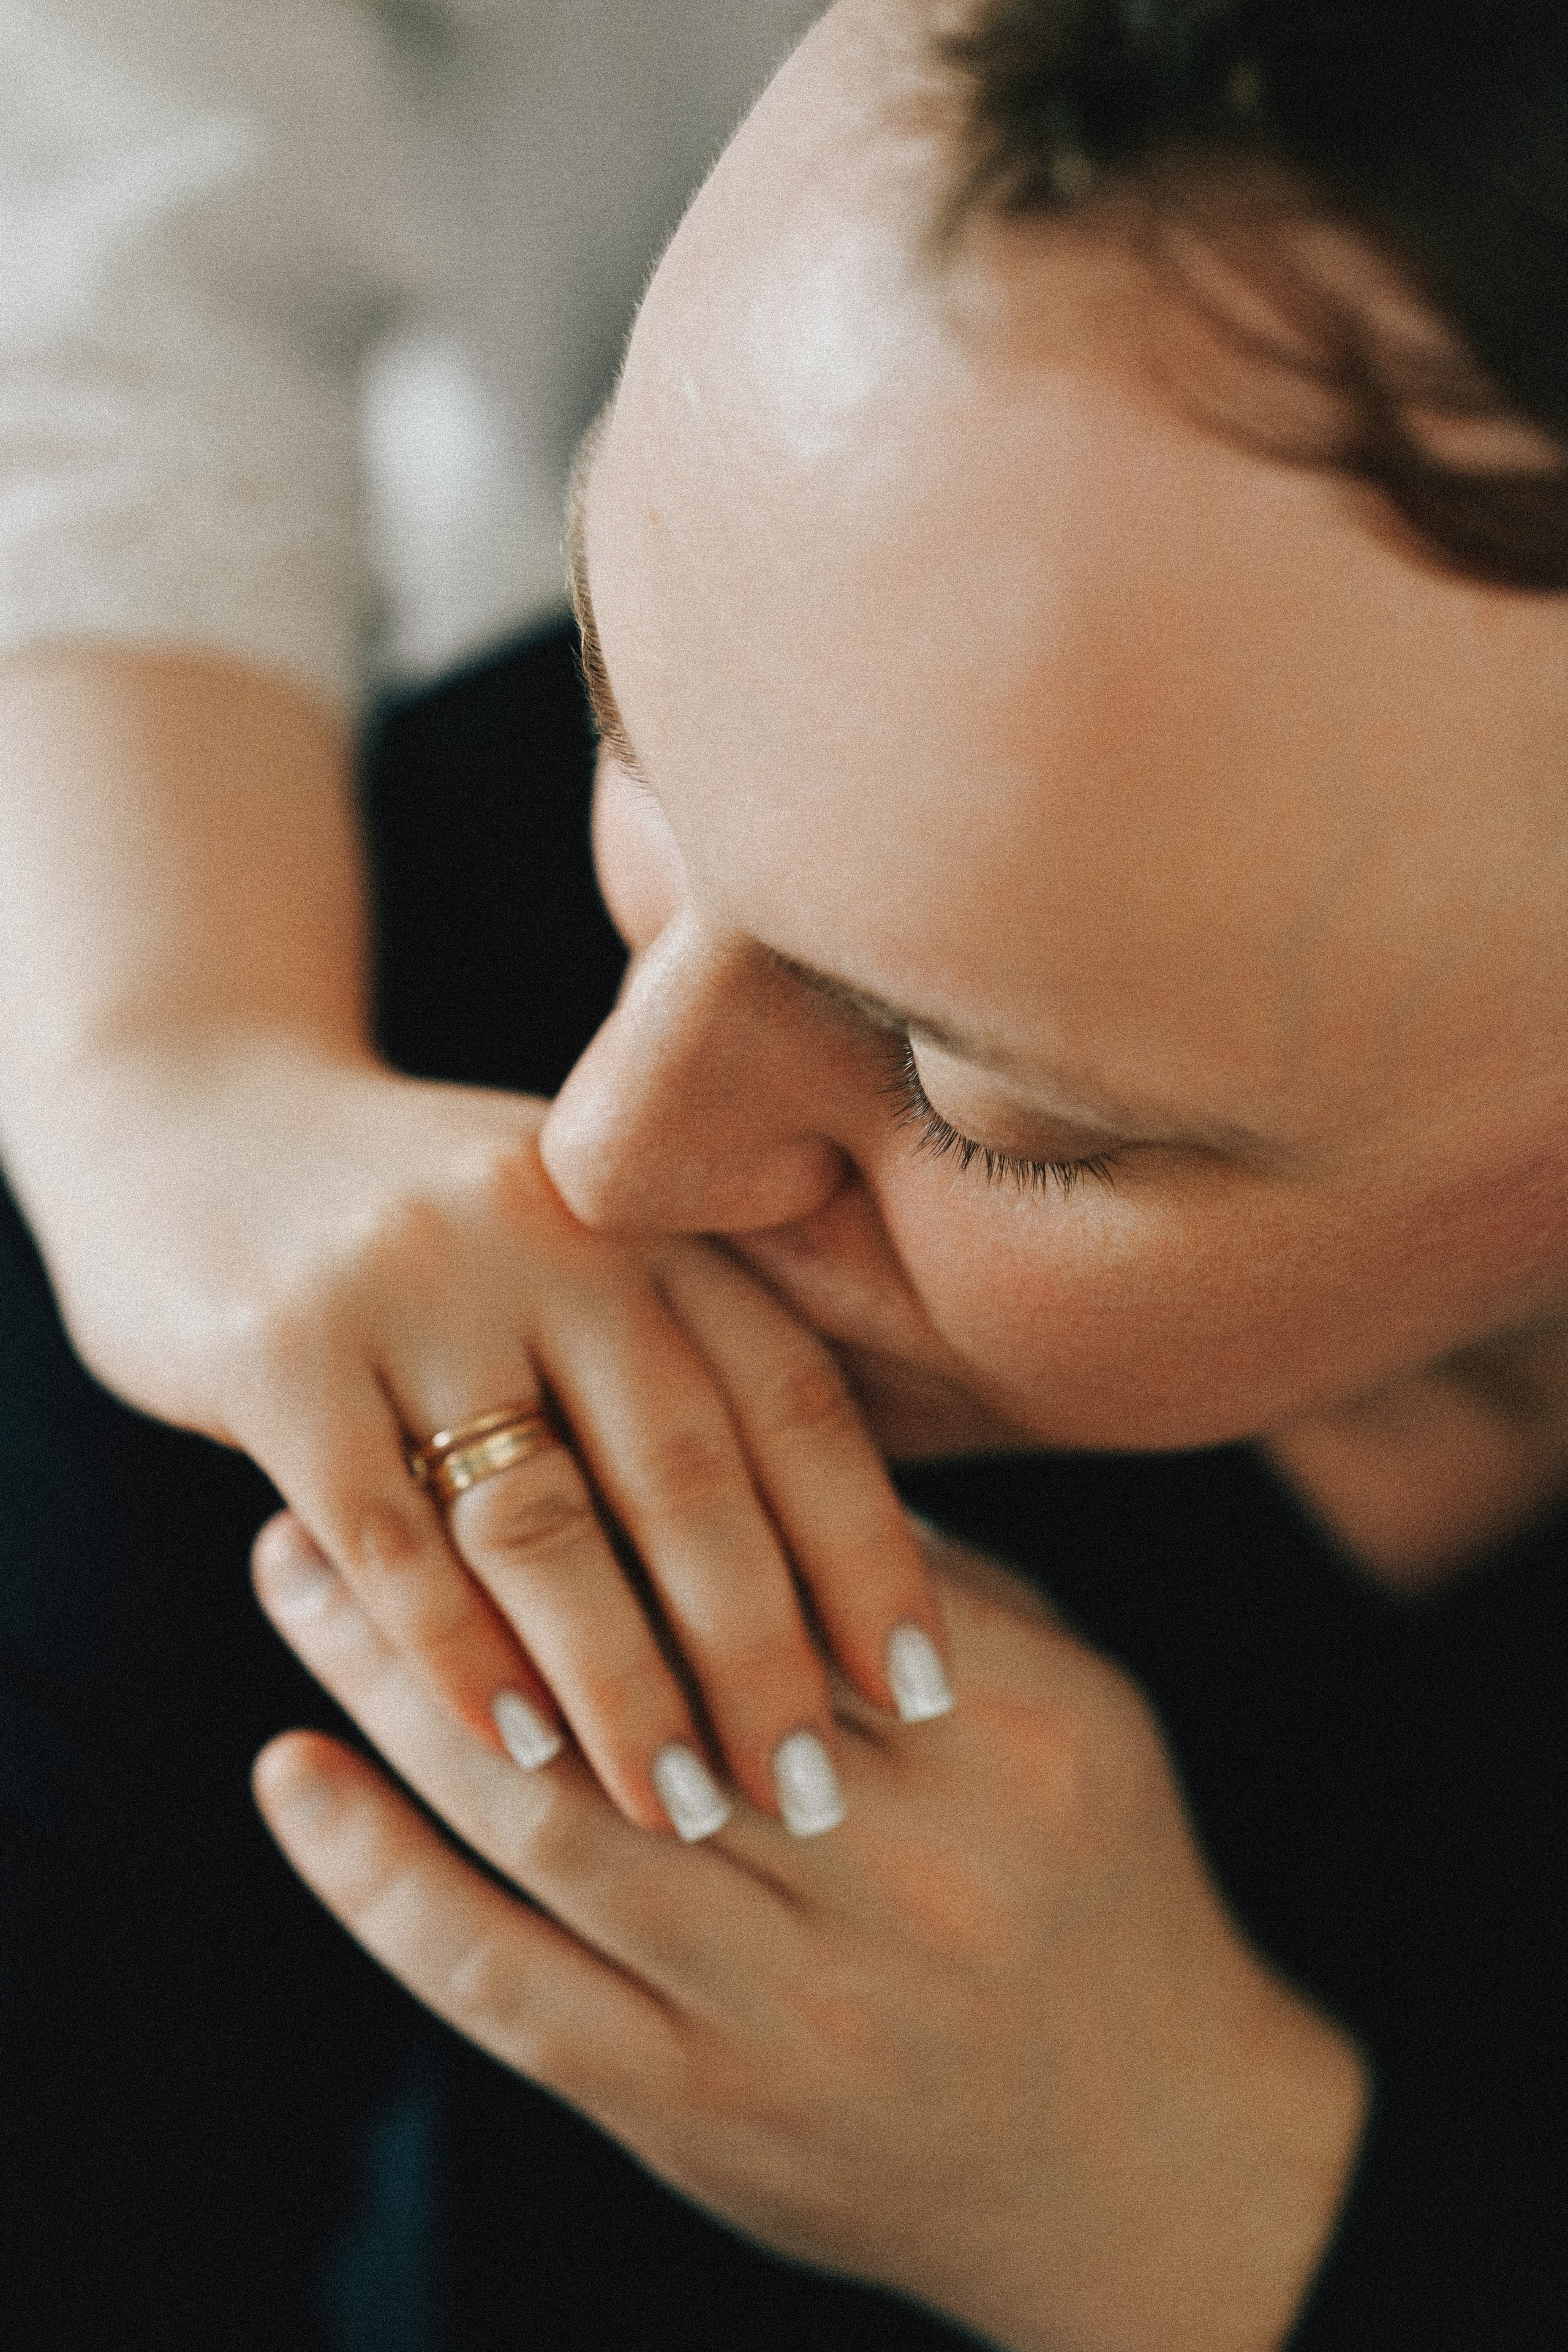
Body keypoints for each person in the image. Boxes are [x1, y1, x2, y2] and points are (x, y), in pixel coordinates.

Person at [241, 0, 1568, 2345]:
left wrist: (1210, 2222)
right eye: (624, 721)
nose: (599, 1153)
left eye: (997, 1109)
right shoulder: (376, 980)